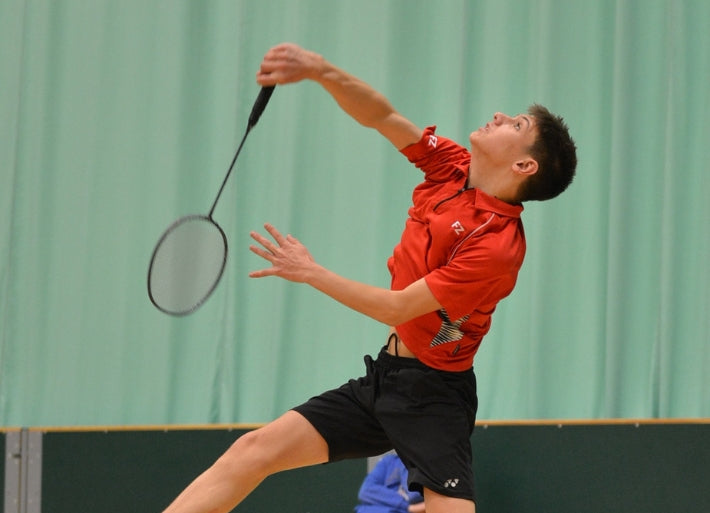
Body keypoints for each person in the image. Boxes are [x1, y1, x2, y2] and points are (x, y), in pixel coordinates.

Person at [161, 42, 577, 513]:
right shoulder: (453, 168)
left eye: (516, 125)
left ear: (524, 165)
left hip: (434, 396)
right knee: (252, 452)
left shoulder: (497, 245)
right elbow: (384, 118)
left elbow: (396, 308)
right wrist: (321, 71)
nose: (500, 115)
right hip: (386, 377)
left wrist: (311, 272)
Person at [355, 452, 425, 513]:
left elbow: (413, 496)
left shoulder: (426, 467)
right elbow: (366, 491)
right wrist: (408, 507)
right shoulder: (388, 461)